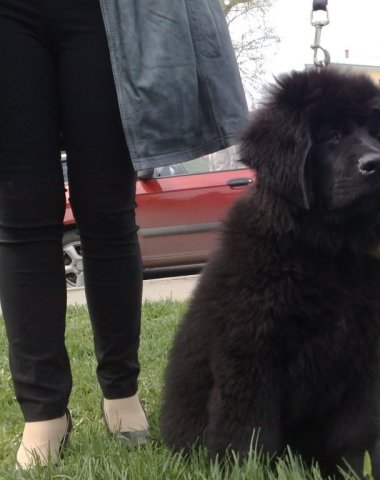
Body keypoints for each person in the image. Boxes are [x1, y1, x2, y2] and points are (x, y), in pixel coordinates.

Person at [0, 0, 248, 469]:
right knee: (22, 211)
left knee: (107, 208)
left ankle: (120, 388)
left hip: (104, 13)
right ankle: (44, 409)